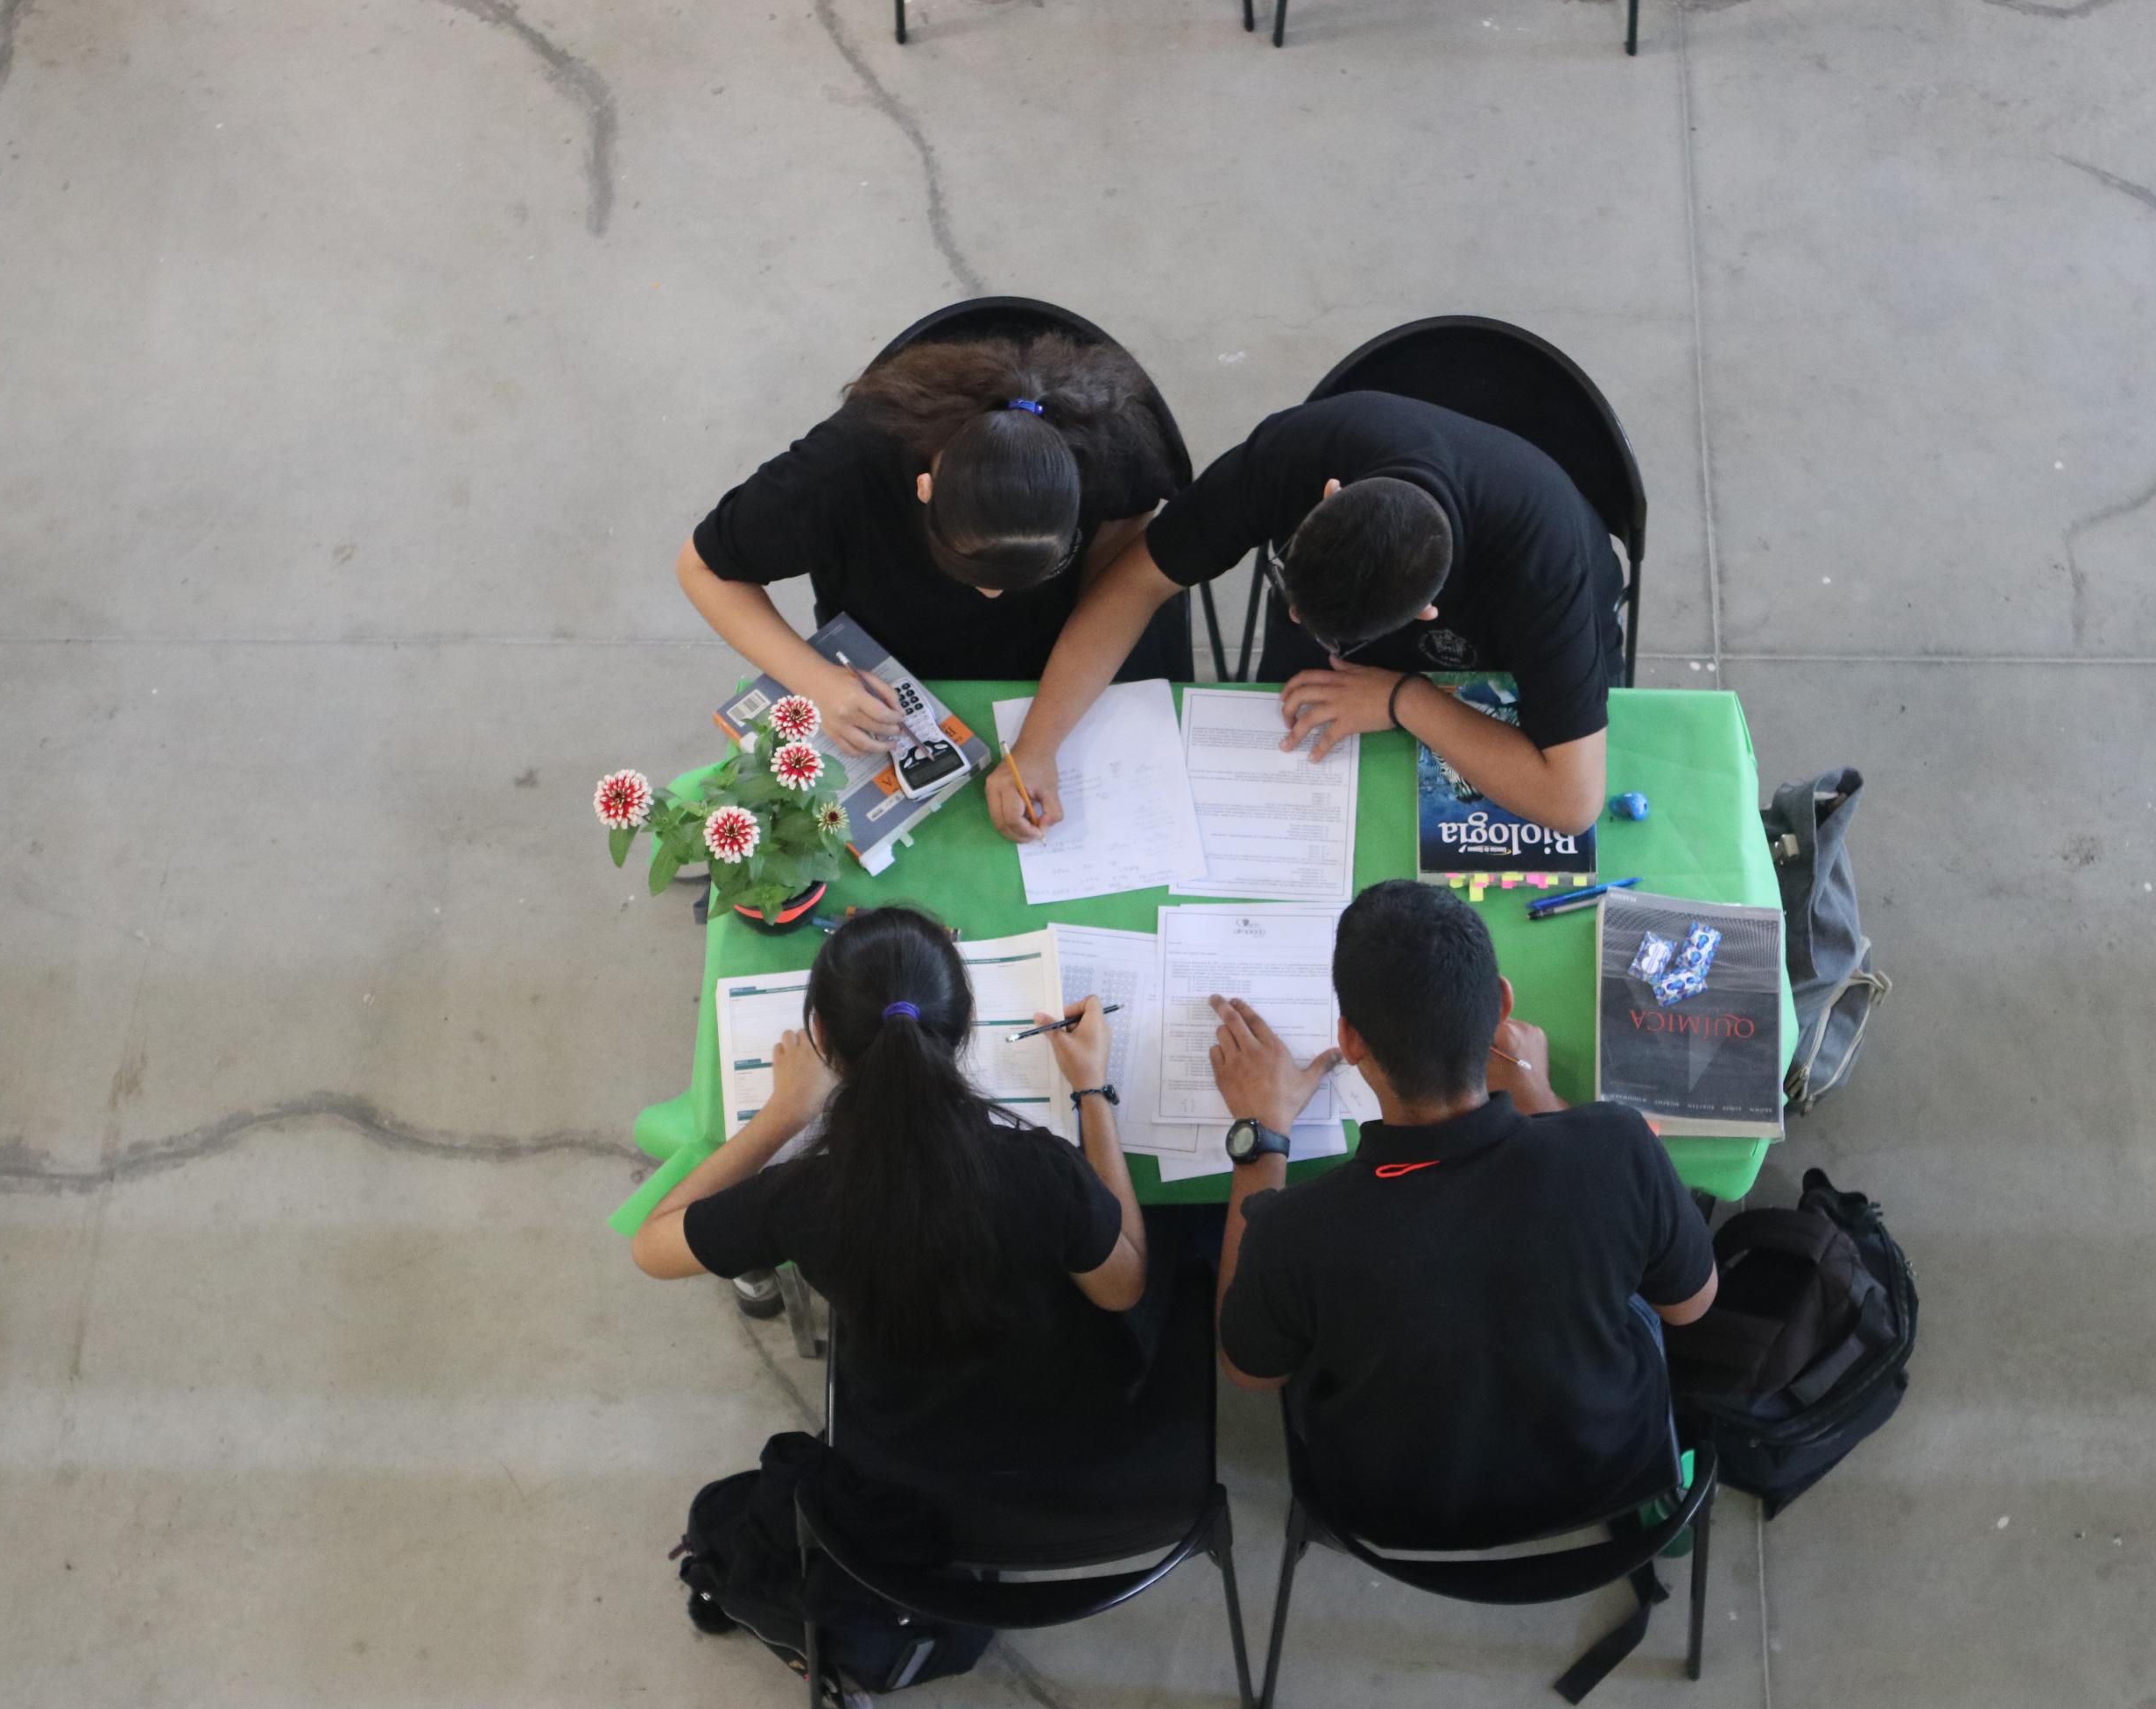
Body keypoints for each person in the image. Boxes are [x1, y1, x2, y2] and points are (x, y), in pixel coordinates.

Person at [1208, 880, 1717, 1546]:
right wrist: (1538, 1095)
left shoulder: (1294, 1231)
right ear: (1502, 1003)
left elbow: (1250, 1369)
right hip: (1608, 1473)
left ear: (1350, 1040)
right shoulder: (1619, 1147)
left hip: (1391, 1515)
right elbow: (1690, 1306)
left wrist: (1261, 1137)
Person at [627, 907, 1149, 1460]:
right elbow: (1123, 1289)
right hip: (1052, 1429)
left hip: (897, 1445)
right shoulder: (1044, 1170)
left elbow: (651, 1248)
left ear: (821, 1035)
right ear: (963, 1026)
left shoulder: (800, 1198)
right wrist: (1092, 1090)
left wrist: (782, 1115)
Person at [992, 390, 1620, 838]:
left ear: (1428, 610)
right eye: (1290, 595)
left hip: (1486, 669)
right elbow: (1137, 583)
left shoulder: (1544, 568)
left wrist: (1404, 699)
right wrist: (1037, 744)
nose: (1294, 621)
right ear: (1328, 497)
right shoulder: (1299, 451)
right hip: (1350, 665)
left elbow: (1571, 800)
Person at [677, 332, 1190, 758]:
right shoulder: (844, 468)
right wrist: (818, 682)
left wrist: (1047, 729)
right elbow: (703, 569)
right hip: (888, 659)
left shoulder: (1112, 447)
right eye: (968, 567)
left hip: (1051, 657)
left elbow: (1122, 561)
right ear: (924, 490)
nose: (992, 596)